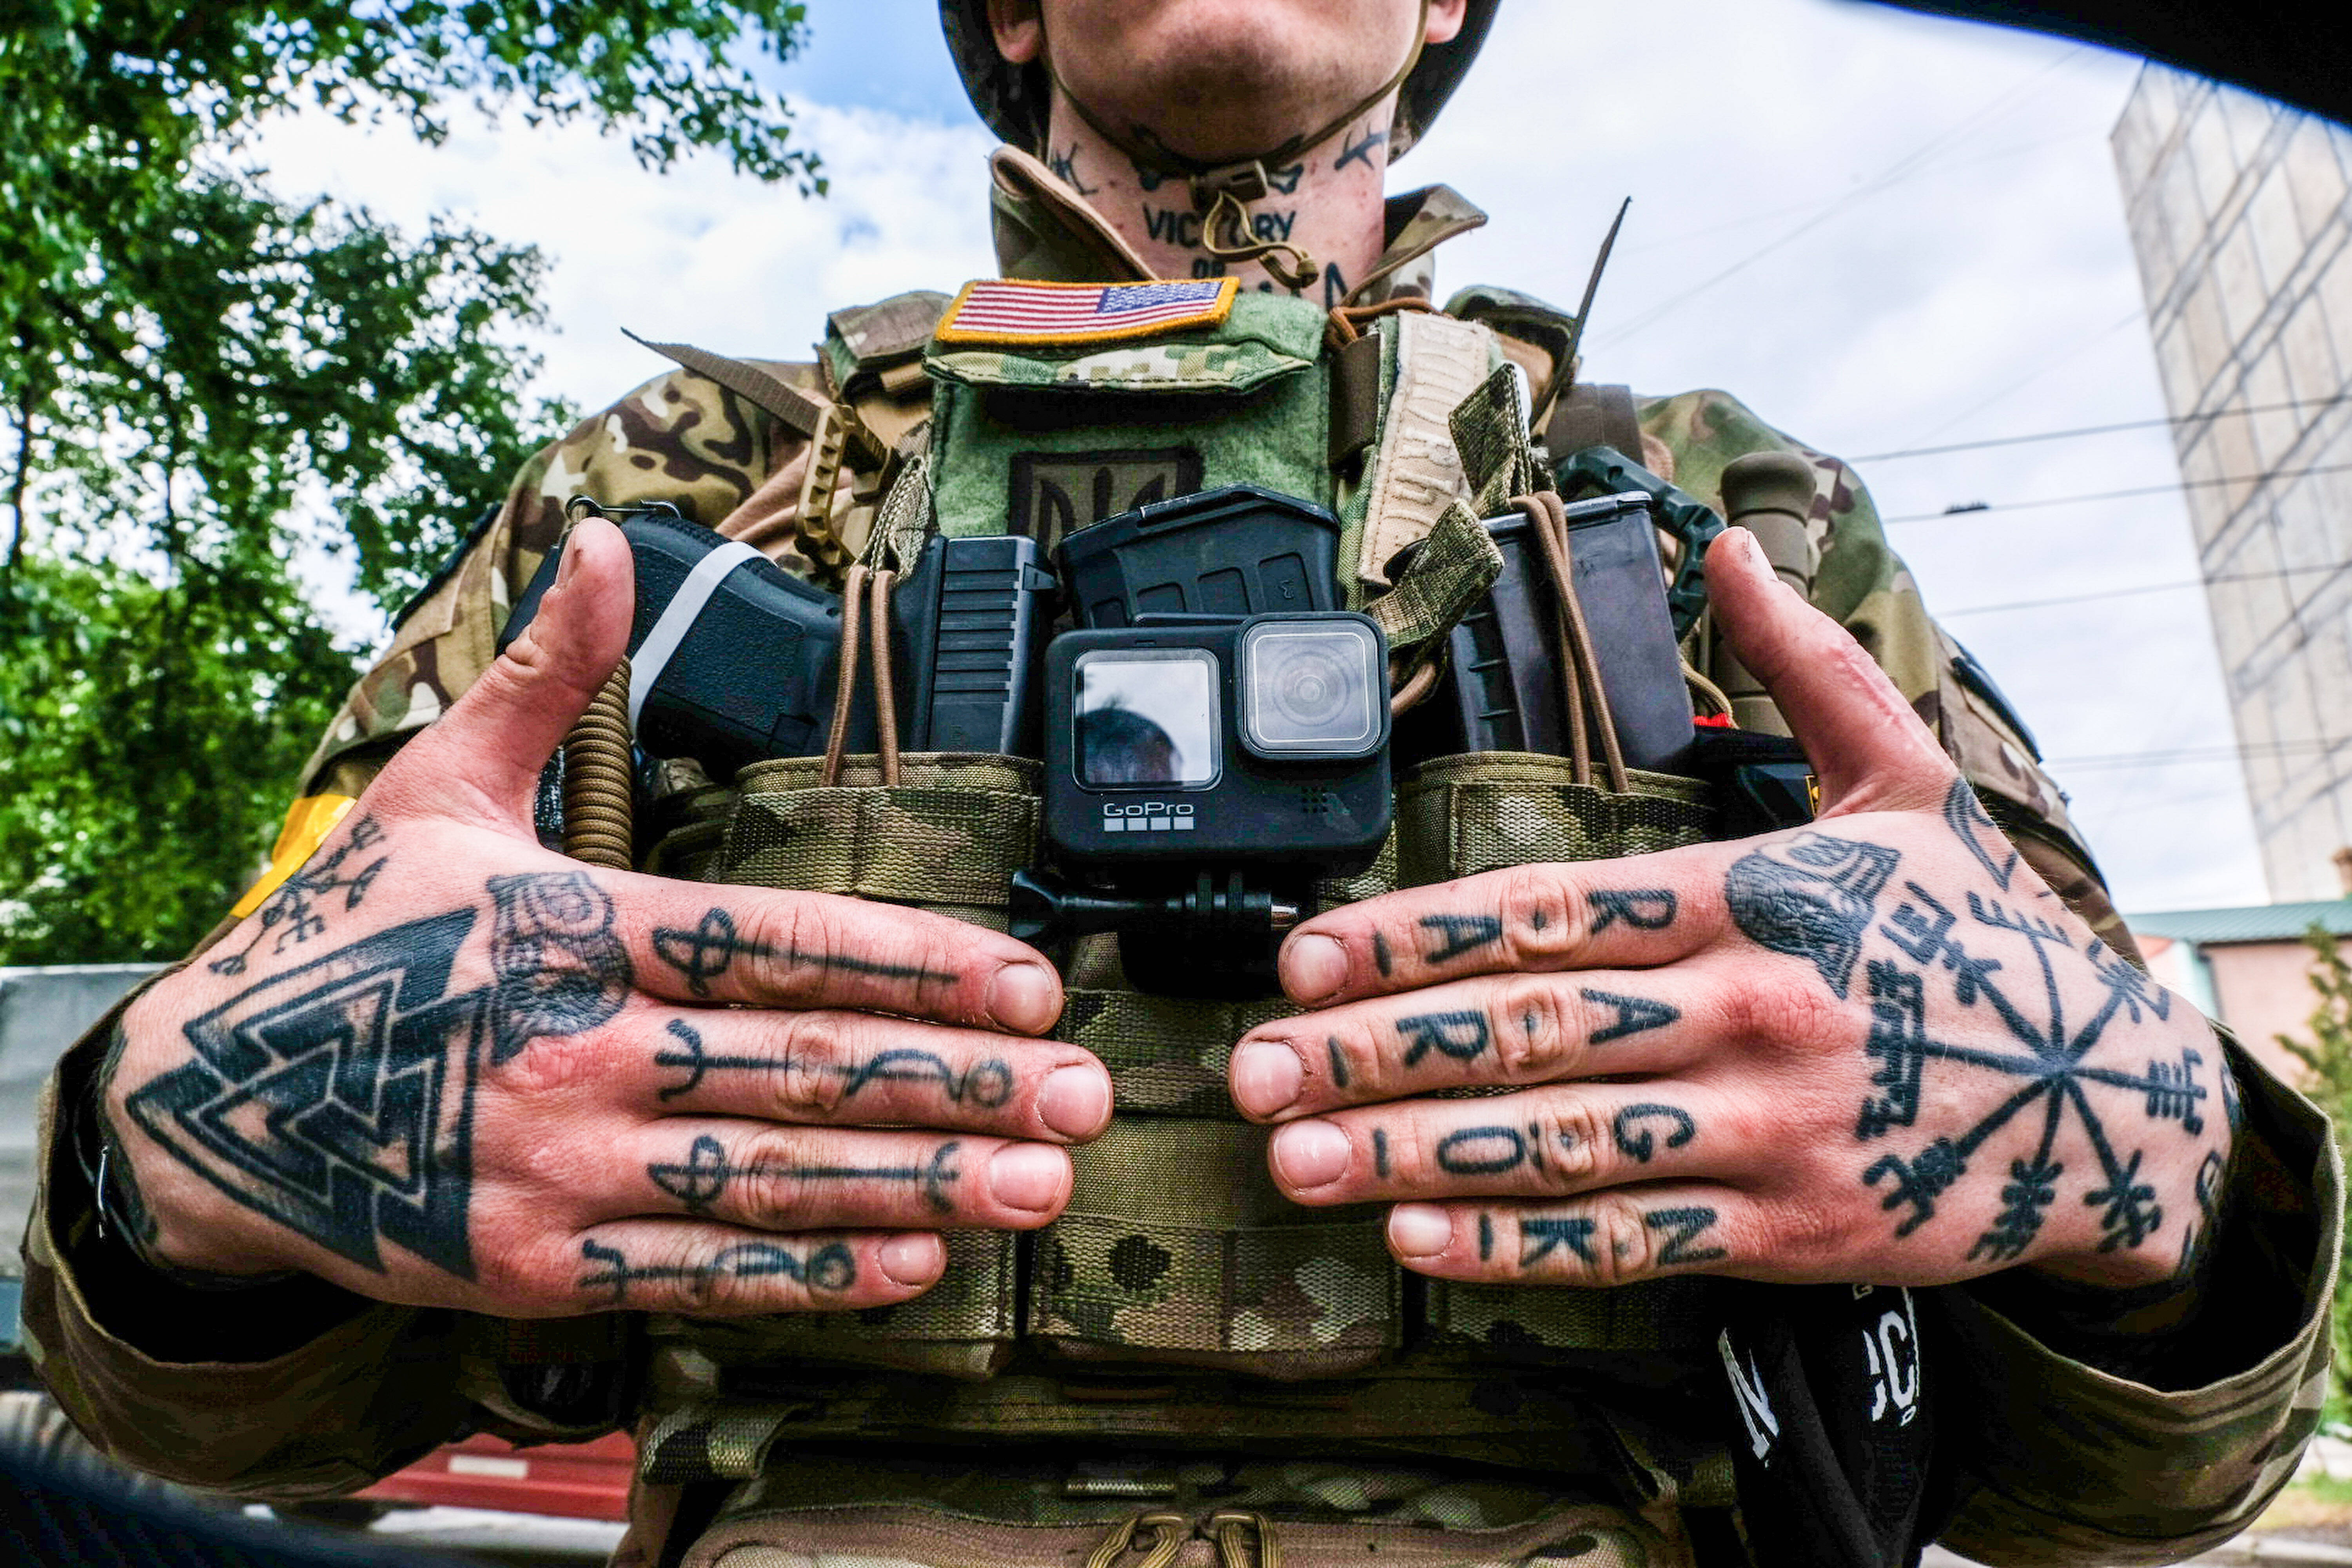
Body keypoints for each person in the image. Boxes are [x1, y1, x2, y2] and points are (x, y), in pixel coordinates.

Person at [20, 2, 2336, 1564]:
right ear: (1012, 8)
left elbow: (2130, 1479)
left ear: (1444, 1)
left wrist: (2154, 1179)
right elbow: (215, 1387)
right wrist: (189, 1162)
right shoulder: (680, 507)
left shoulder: (1724, 523)